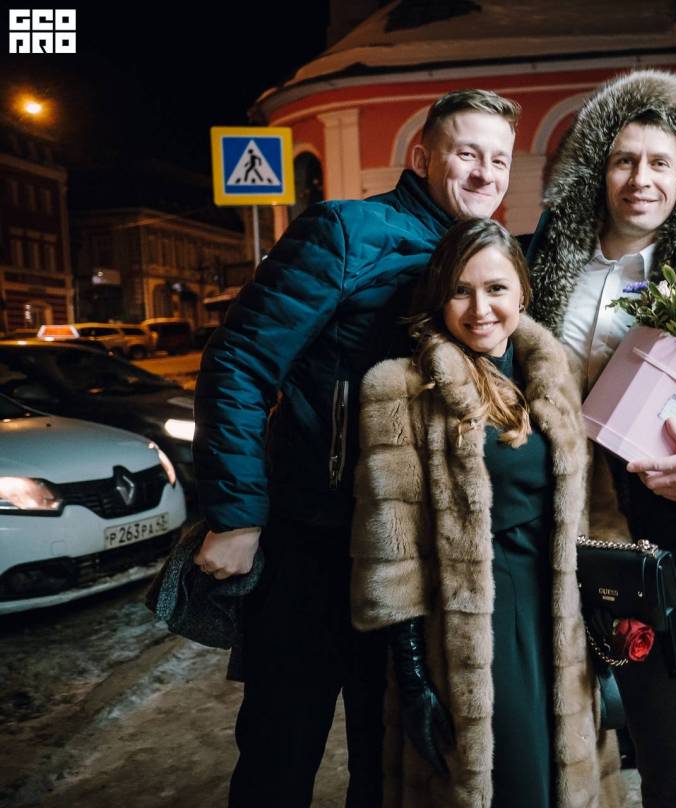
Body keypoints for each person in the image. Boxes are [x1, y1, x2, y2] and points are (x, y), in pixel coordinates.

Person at [191, 88, 520, 807]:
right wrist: (238, 516)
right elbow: (239, 361)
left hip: (411, 558)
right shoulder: (347, 231)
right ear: (422, 157)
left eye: (499, 160)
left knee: (391, 762)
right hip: (317, 543)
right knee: (282, 751)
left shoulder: (485, 260)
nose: (484, 173)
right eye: (467, 153)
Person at [525, 69, 676, 808]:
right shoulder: (539, 266)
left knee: (667, 752)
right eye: (624, 160)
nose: (640, 179)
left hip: (654, 543)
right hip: (545, 531)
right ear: (598, 166)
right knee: (557, 738)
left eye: (659, 163)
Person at [349, 218, 621, 808]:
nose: (480, 309)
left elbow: (596, 505)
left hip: (563, 614)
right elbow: (392, 548)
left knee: (568, 780)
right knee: (515, 782)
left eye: (496, 288)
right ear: (438, 298)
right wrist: (413, 674)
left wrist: (610, 611)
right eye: (460, 291)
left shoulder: (556, 376)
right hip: (473, 624)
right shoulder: (400, 389)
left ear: (522, 292)